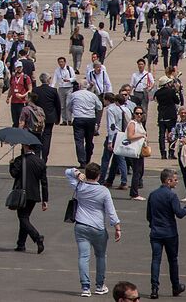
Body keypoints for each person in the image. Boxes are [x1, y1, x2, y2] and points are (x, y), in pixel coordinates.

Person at [66, 163, 122, 297]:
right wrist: (117, 227)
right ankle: (99, 285)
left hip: (81, 225)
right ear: (99, 176)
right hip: (98, 228)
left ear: (87, 174)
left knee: (83, 256)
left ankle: (85, 287)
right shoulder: (103, 191)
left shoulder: (80, 186)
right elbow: (111, 211)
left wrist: (78, 174)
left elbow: (68, 172)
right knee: (101, 256)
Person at [147, 168, 186, 298]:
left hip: (156, 233)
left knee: (156, 260)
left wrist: (153, 225)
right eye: (175, 179)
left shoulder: (153, 194)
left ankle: (154, 288)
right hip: (169, 233)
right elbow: (179, 214)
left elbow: (149, 215)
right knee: (172, 260)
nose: (177, 182)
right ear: (168, 181)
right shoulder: (171, 195)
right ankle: (175, 286)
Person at [9, 142, 48, 254]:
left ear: (26, 147)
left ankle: (37, 237)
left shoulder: (20, 160)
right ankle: (21, 244)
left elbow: (14, 174)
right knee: (25, 217)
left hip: (22, 192)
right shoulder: (40, 162)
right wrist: (45, 200)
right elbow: (44, 182)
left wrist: (11, 164)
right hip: (34, 194)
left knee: (23, 218)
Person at [69, 78, 104, 167]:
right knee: (89, 140)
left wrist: (74, 111)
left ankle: (82, 161)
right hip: (90, 119)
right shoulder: (92, 95)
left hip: (78, 118)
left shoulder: (74, 95)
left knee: (79, 141)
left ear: (79, 86)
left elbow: (69, 106)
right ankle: (87, 159)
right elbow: (99, 106)